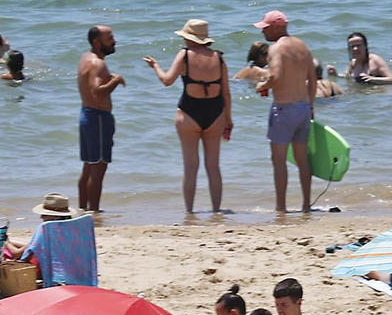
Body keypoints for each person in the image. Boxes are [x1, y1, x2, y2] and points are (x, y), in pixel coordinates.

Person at [145, 19, 233, 215]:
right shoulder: (219, 58)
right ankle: (217, 210)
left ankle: (190, 211)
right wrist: (228, 118)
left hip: (188, 114)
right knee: (213, 166)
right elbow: (226, 93)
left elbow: (167, 81)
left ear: (189, 39)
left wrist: (156, 66)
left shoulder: (184, 56)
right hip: (216, 113)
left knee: (190, 166)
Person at [254, 11, 318, 213]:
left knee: (278, 160)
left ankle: (280, 207)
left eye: (265, 27)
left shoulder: (276, 48)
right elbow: (313, 79)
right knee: (302, 159)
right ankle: (306, 205)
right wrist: (311, 106)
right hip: (303, 107)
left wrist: (261, 85)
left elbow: (276, 76)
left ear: (276, 27)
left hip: (283, 108)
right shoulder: (302, 46)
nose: (263, 31)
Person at [77, 25, 125, 212]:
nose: (114, 41)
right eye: (109, 38)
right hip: (97, 117)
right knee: (98, 169)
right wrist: (115, 81)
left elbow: (93, 85)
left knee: (89, 167)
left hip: (87, 114)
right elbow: (96, 92)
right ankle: (94, 211)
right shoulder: (98, 63)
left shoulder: (85, 58)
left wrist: (108, 79)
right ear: (97, 42)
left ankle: (83, 209)